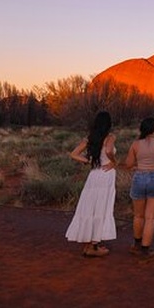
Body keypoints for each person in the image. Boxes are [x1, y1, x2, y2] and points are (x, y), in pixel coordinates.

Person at [65, 110, 117, 257]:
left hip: (93, 175)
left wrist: (88, 160)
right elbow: (108, 150)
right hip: (106, 175)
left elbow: (74, 154)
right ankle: (94, 246)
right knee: (101, 207)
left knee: (90, 207)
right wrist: (114, 162)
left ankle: (88, 245)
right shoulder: (110, 137)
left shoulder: (90, 138)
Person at [123, 116, 154, 262]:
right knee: (150, 217)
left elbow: (128, 164)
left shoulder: (135, 144)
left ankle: (136, 245)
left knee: (138, 216)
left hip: (139, 178)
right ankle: (145, 251)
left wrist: (139, 165)